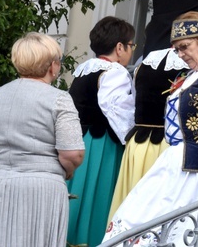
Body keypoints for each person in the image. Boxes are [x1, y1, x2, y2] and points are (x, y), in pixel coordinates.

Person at [103, 12, 198, 246]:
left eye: (185, 47)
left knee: (181, 227)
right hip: (176, 161)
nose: (180, 55)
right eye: (177, 49)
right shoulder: (192, 75)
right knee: (136, 215)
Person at [0, 33, 85, 247]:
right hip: (39, 189)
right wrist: (67, 170)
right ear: (52, 66)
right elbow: (71, 153)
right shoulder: (59, 98)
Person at [66, 17, 136, 247]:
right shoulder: (115, 72)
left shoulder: (84, 70)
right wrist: (131, 139)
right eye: (131, 45)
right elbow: (117, 112)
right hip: (101, 144)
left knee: (77, 194)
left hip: (79, 140)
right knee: (96, 196)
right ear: (119, 47)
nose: (132, 50)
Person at [107, 46, 188, 218]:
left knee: (132, 206)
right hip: (167, 145)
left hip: (138, 143)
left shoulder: (144, 63)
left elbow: (134, 102)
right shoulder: (190, 64)